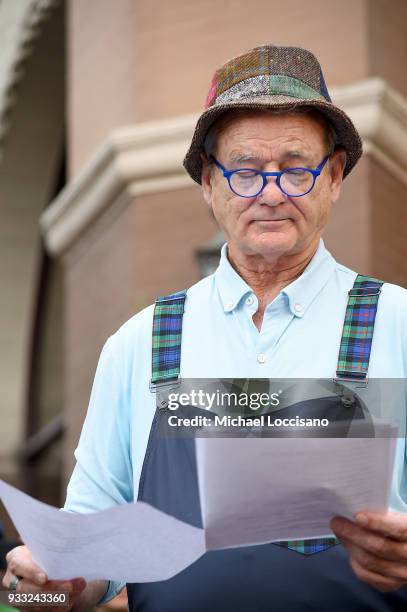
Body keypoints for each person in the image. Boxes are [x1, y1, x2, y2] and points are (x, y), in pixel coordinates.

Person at [3, 44, 407, 611]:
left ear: (334, 176)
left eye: (295, 169)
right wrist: (50, 590)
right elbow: (90, 556)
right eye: (244, 171)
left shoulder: (399, 326)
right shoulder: (137, 345)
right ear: (207, 185)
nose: (270, 193)